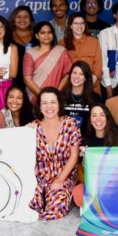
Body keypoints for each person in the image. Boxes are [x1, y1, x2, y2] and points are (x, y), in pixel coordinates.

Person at [31, 88, 82, 220]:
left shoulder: (70, 123)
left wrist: (60, 180)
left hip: (64, 174)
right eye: (45, 103)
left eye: (53, 102)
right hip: (40, 176)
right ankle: (43, 199)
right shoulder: (32, 127)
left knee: (56, 210)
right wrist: (24, 133)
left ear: (59, 104)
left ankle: (61, 196)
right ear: (40, 106)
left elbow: (74, 155)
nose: (49, 107)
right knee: (30, 205)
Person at [72, 104, 118, 208]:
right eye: (94, 115)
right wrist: (83, 158)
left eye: (102, 115)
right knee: (78, 192)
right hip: (95, 186)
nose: (98, 119)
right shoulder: (86, 141)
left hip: (117, 185)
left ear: (107, 117)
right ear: (90, 120)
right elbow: (84, 173)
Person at [23, 20, 73, 100]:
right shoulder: (30, 53)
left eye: (49, 32)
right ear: (36, 35)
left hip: (56, 95)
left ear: (53, 35)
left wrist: (57, 93)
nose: (46, 35)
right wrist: (42, 96)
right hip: (34, 96)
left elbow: (68, 74)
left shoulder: (61, 51)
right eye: (42, 33)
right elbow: (27, 79)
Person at [62, 13, 103, 97]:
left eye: (82, 23)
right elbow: (61, 69)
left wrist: (86, 87)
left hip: (91, 89)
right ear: (70, 26)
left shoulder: (94, 42)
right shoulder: (62, 43)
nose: (79, 26)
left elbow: (98, 68)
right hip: (68, 90)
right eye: (76, 23)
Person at [59, 62, 96, 128]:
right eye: (74, 73)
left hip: (86, 137)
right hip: (65, 136)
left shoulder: (94, 98)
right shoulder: (61, 96)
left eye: (81, 74)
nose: (76, 77)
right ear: (70, 75)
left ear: (86, 78)